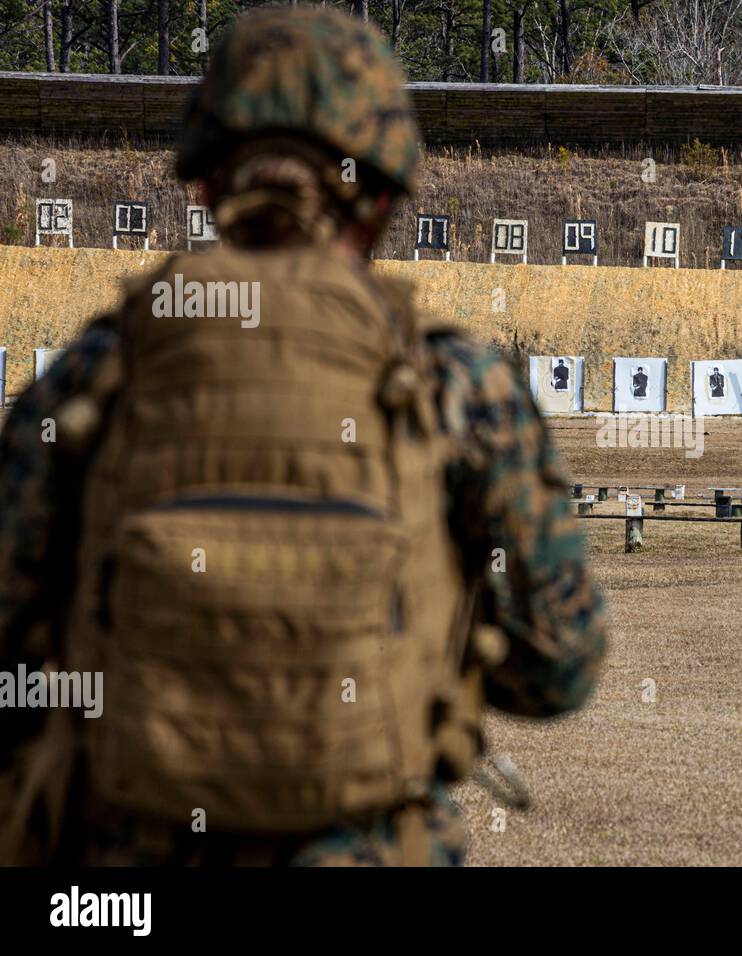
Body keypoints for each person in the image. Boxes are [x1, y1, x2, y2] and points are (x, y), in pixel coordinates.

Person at [0, 7, 604, 867]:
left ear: (203, 183)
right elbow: (560, 666)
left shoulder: (96, 378)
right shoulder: (456, 386)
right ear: (387, 196)